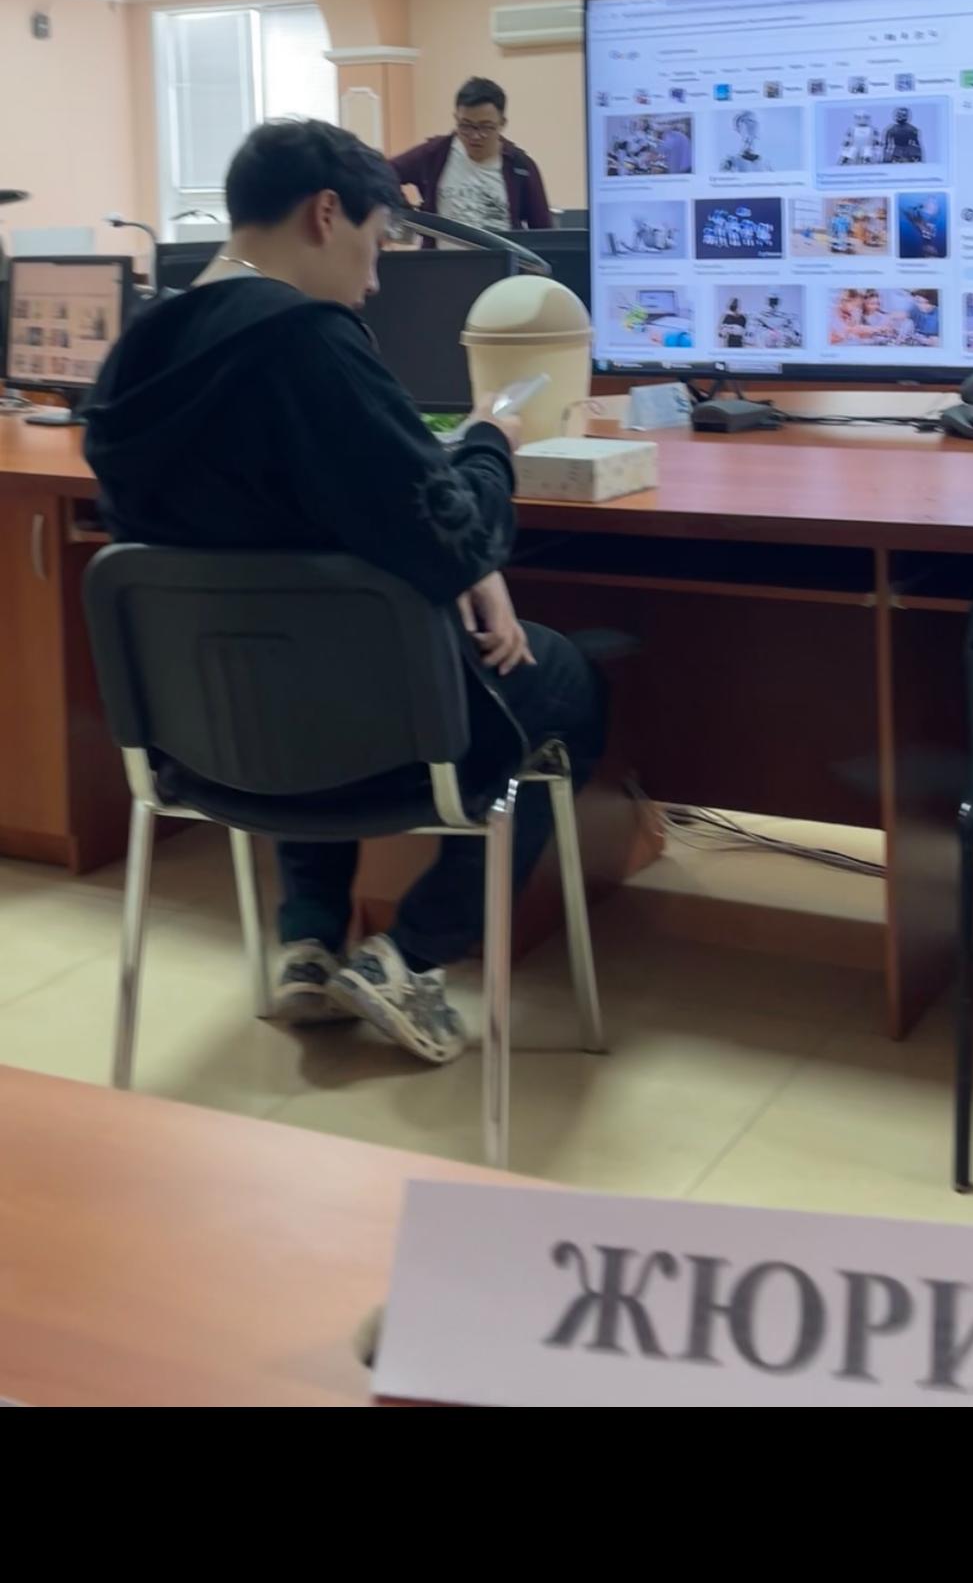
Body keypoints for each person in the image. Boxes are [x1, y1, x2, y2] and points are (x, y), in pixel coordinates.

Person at [85, 119, 603, 1067]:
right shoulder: (307, 343)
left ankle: (310, 944)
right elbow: (454, 530)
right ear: (326, 214)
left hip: (207, 742)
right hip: (375, 740)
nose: (374, 280)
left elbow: (279, 537)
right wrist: (490, 440)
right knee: (566, 679)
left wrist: (458, 558)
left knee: (289, 646)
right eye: (375, 242)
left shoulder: (133, 354)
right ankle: (409, 955)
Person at [390, 77, 552, 234]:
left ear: (502, 123)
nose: (475, 136)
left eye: (486, 127)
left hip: (500, 253)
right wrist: (406, 213)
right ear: (456, 118)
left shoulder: (520, 167)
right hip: (443, 253)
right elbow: (385, 172)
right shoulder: (434, 154)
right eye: (466, 126)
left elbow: (544, 231)